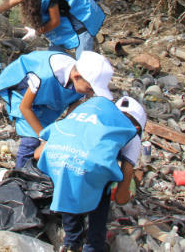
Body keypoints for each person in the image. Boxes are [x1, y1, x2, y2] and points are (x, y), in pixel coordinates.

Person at [33, 96, 146, 252]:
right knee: (101, 187)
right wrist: (127, 194)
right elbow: (121, 197)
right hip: (88, 165)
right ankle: (93, 244)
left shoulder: (88, 118)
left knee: (69, 187)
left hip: (58, 159)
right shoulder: (132, 135)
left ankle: (72, 242)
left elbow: (37, 154)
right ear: (137, 128)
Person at [0, 50, 114, 168]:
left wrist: (65, 136)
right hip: (22, 96)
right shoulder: (44, 75)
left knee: (54, 144)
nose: (91, 94)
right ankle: (19, 173)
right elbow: (24, 107)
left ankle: (37, 172)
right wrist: (44, 138)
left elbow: (71, 117)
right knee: (31, 141)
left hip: (49, 102)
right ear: (77, 77)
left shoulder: (80, 84)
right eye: (90, 89)